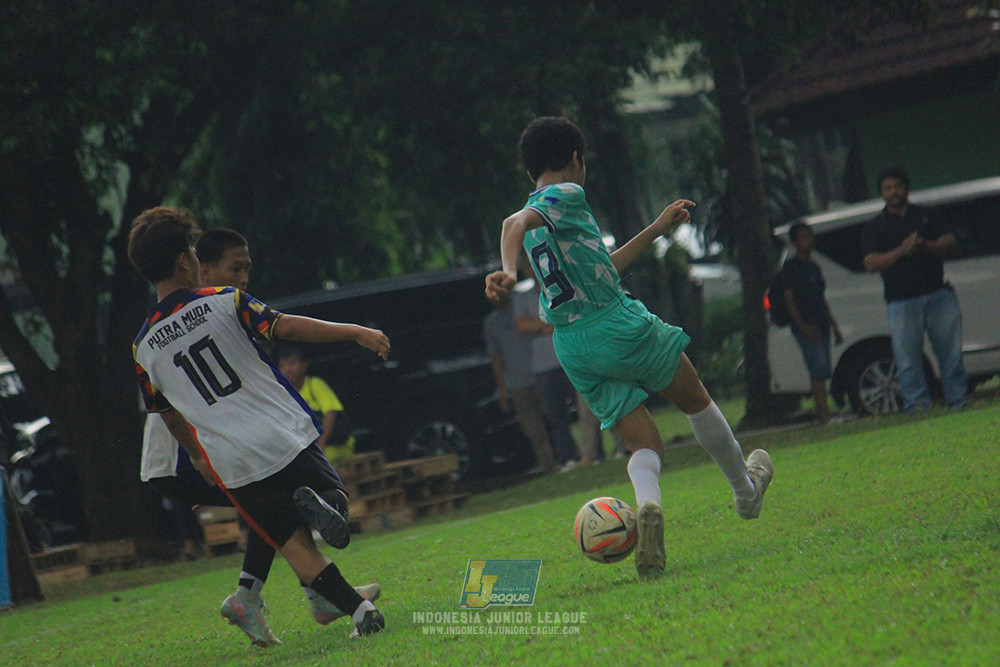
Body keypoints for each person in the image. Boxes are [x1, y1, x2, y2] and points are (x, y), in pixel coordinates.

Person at [485, 116, 773, 578]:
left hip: (573, 345)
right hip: (616, 324)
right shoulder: (564, 195)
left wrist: (657, 228)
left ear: (528, 171)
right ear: (576, 160)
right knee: (695, 398)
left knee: (644, 442)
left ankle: (648, 508)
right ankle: (746, 490)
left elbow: (602, 266)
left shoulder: (544, 219)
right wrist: (506, 268)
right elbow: (512, 221)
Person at [129, 208, 389, 643]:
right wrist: (355, 331)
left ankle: (361, 612)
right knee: (335, 498)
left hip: (231, 461)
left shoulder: (143, 347)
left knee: (291, 542)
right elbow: (285, 326)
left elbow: (165, 412)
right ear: (183, 263)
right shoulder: (222, 300)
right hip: (280, 432)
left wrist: (196, 455)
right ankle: (327, 507)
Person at [862, 166, 968, 412]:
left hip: (938, 295)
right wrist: (902, 251)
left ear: (906, 189)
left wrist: (924, 245)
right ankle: (918, 406)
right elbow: (870, 263)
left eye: (897, 186)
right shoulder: (876, 227)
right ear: (882, 194)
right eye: (888, 188)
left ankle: (958, 399)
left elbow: (950, 243)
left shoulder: (928, 215)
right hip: (901, 301)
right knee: (908, 359)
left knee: (950, 353)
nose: (893, 192)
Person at [513, 276, 602, 467]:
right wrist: (553, 323)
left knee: (588, 408)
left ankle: (595, 455)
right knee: (555, 416)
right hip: (543, 366)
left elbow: (573, 314)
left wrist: (539, 324)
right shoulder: (523, 296)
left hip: (570, 359)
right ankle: (568, 458)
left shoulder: (559, 288)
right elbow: (522, 325)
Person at [483, 289, 558, 474]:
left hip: (540, 372)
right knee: (533, 429)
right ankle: (548, 466)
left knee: (555, 418)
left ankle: (569, 457)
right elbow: (496, 358)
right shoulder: (491, 323)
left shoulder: (522, 307)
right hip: (517, 383)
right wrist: (502, 389)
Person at [781, 223, 844, 424]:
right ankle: (824, 416)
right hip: (807, 325)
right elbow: (789, 299)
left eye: (809, 236)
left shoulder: (814, 267)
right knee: (817, 372)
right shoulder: (791, 268)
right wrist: (802, 326)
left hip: (822, 324)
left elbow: (821, 298)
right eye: (802, 237)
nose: (808, 241)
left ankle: (826, 412)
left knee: (823, 371)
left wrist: (834, 325)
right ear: (795, 242)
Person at [276, 345, 355, 464]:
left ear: (303, 366)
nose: (288, 369)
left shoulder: (314, 385)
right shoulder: (284, 395)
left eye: (292, 363)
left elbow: (331, 413)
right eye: (283, 365)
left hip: (333, 447)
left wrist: (321, 445)